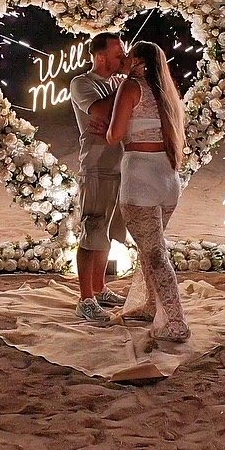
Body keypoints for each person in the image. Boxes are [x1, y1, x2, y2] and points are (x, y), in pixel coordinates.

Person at [105, 41, 190, 342]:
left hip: (140, 178)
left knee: (155, 252)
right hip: (167, 179)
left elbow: (115, 135)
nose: (125, 60)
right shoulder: (166, 91)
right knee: (150, 246)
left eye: (129, 56)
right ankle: (152, 304)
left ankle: (176, 321)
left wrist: (107, 126)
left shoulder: (131, 87)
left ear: (140, 61)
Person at [69, 32, 129, 323]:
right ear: (100, 57)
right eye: (118, 54)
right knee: (92, 229)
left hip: (120, 165)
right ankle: (85, 299)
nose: (124, 59)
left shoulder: (118, 83)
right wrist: (126, 92)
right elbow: (102, 111)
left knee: (108, 232)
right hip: (96, 165)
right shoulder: (82, 83)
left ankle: (100, 288)